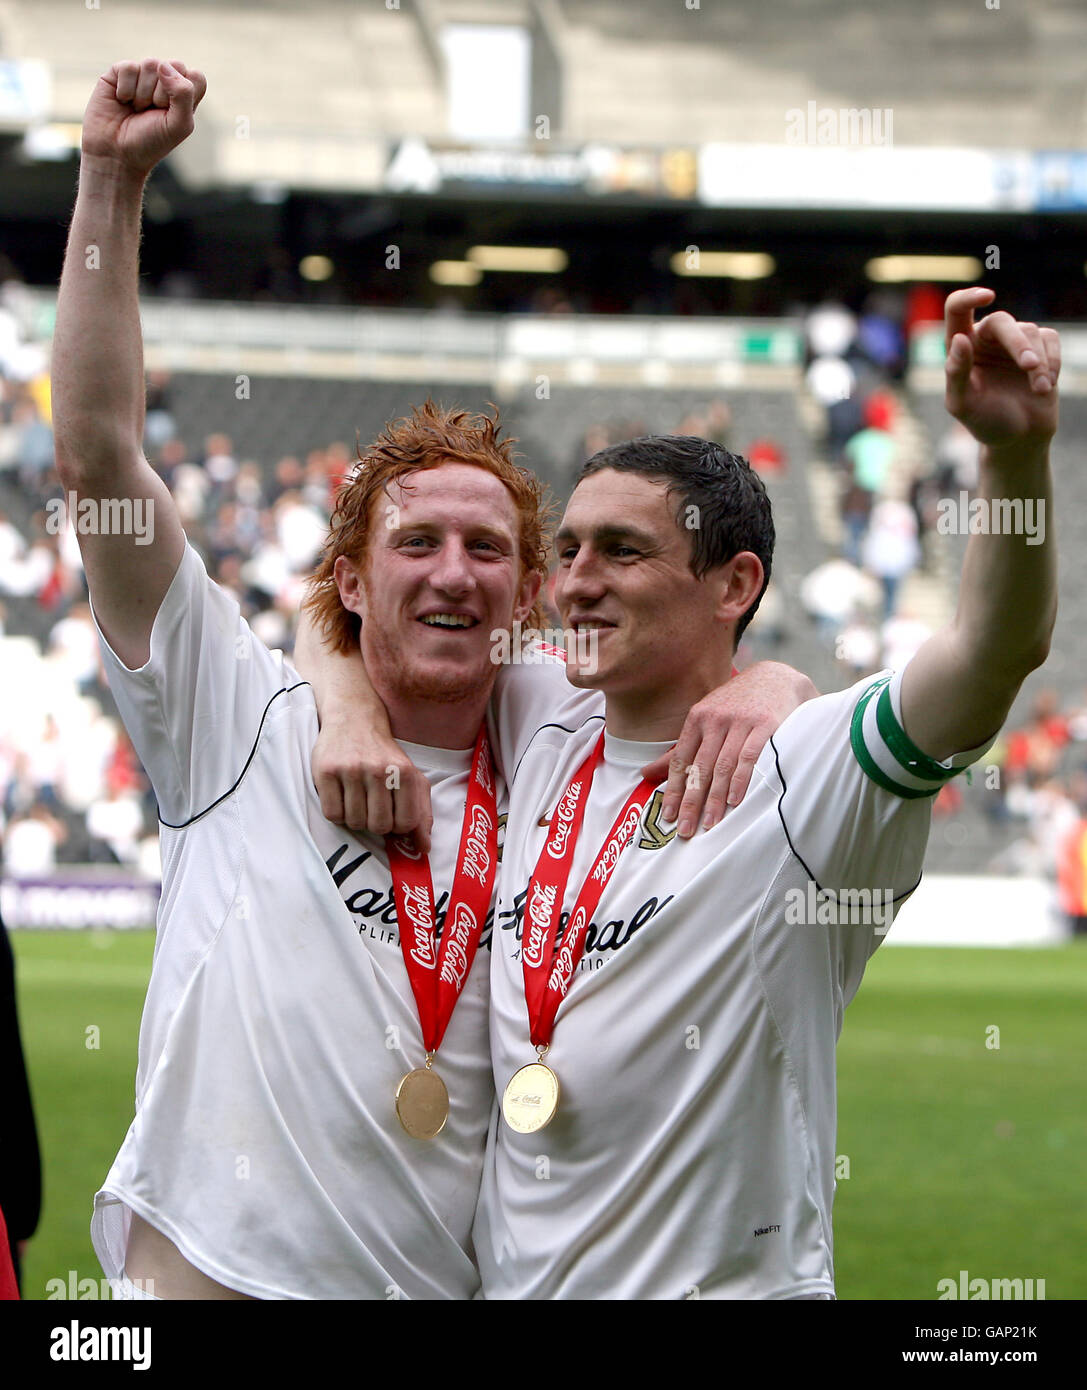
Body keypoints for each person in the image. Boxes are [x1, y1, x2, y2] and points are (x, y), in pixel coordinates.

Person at [52, 57, 814, 1300]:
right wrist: (110, 180)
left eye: (487, 550)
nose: (451, 574)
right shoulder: (233, 713)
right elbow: (95, 452)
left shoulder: (560, 738)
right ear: (348, 581)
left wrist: (772, 679)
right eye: (414, 543)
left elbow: (695, 652)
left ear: (527, 595)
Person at [323, 288, 1058, 1298]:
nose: (575, 580)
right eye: (569, 549)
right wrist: (346, 708)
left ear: (733, 585)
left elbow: (990, 653)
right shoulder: (536, 716)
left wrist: (1011, 460)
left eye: (622, 552)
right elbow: (369, 626)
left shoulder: (807, 768)